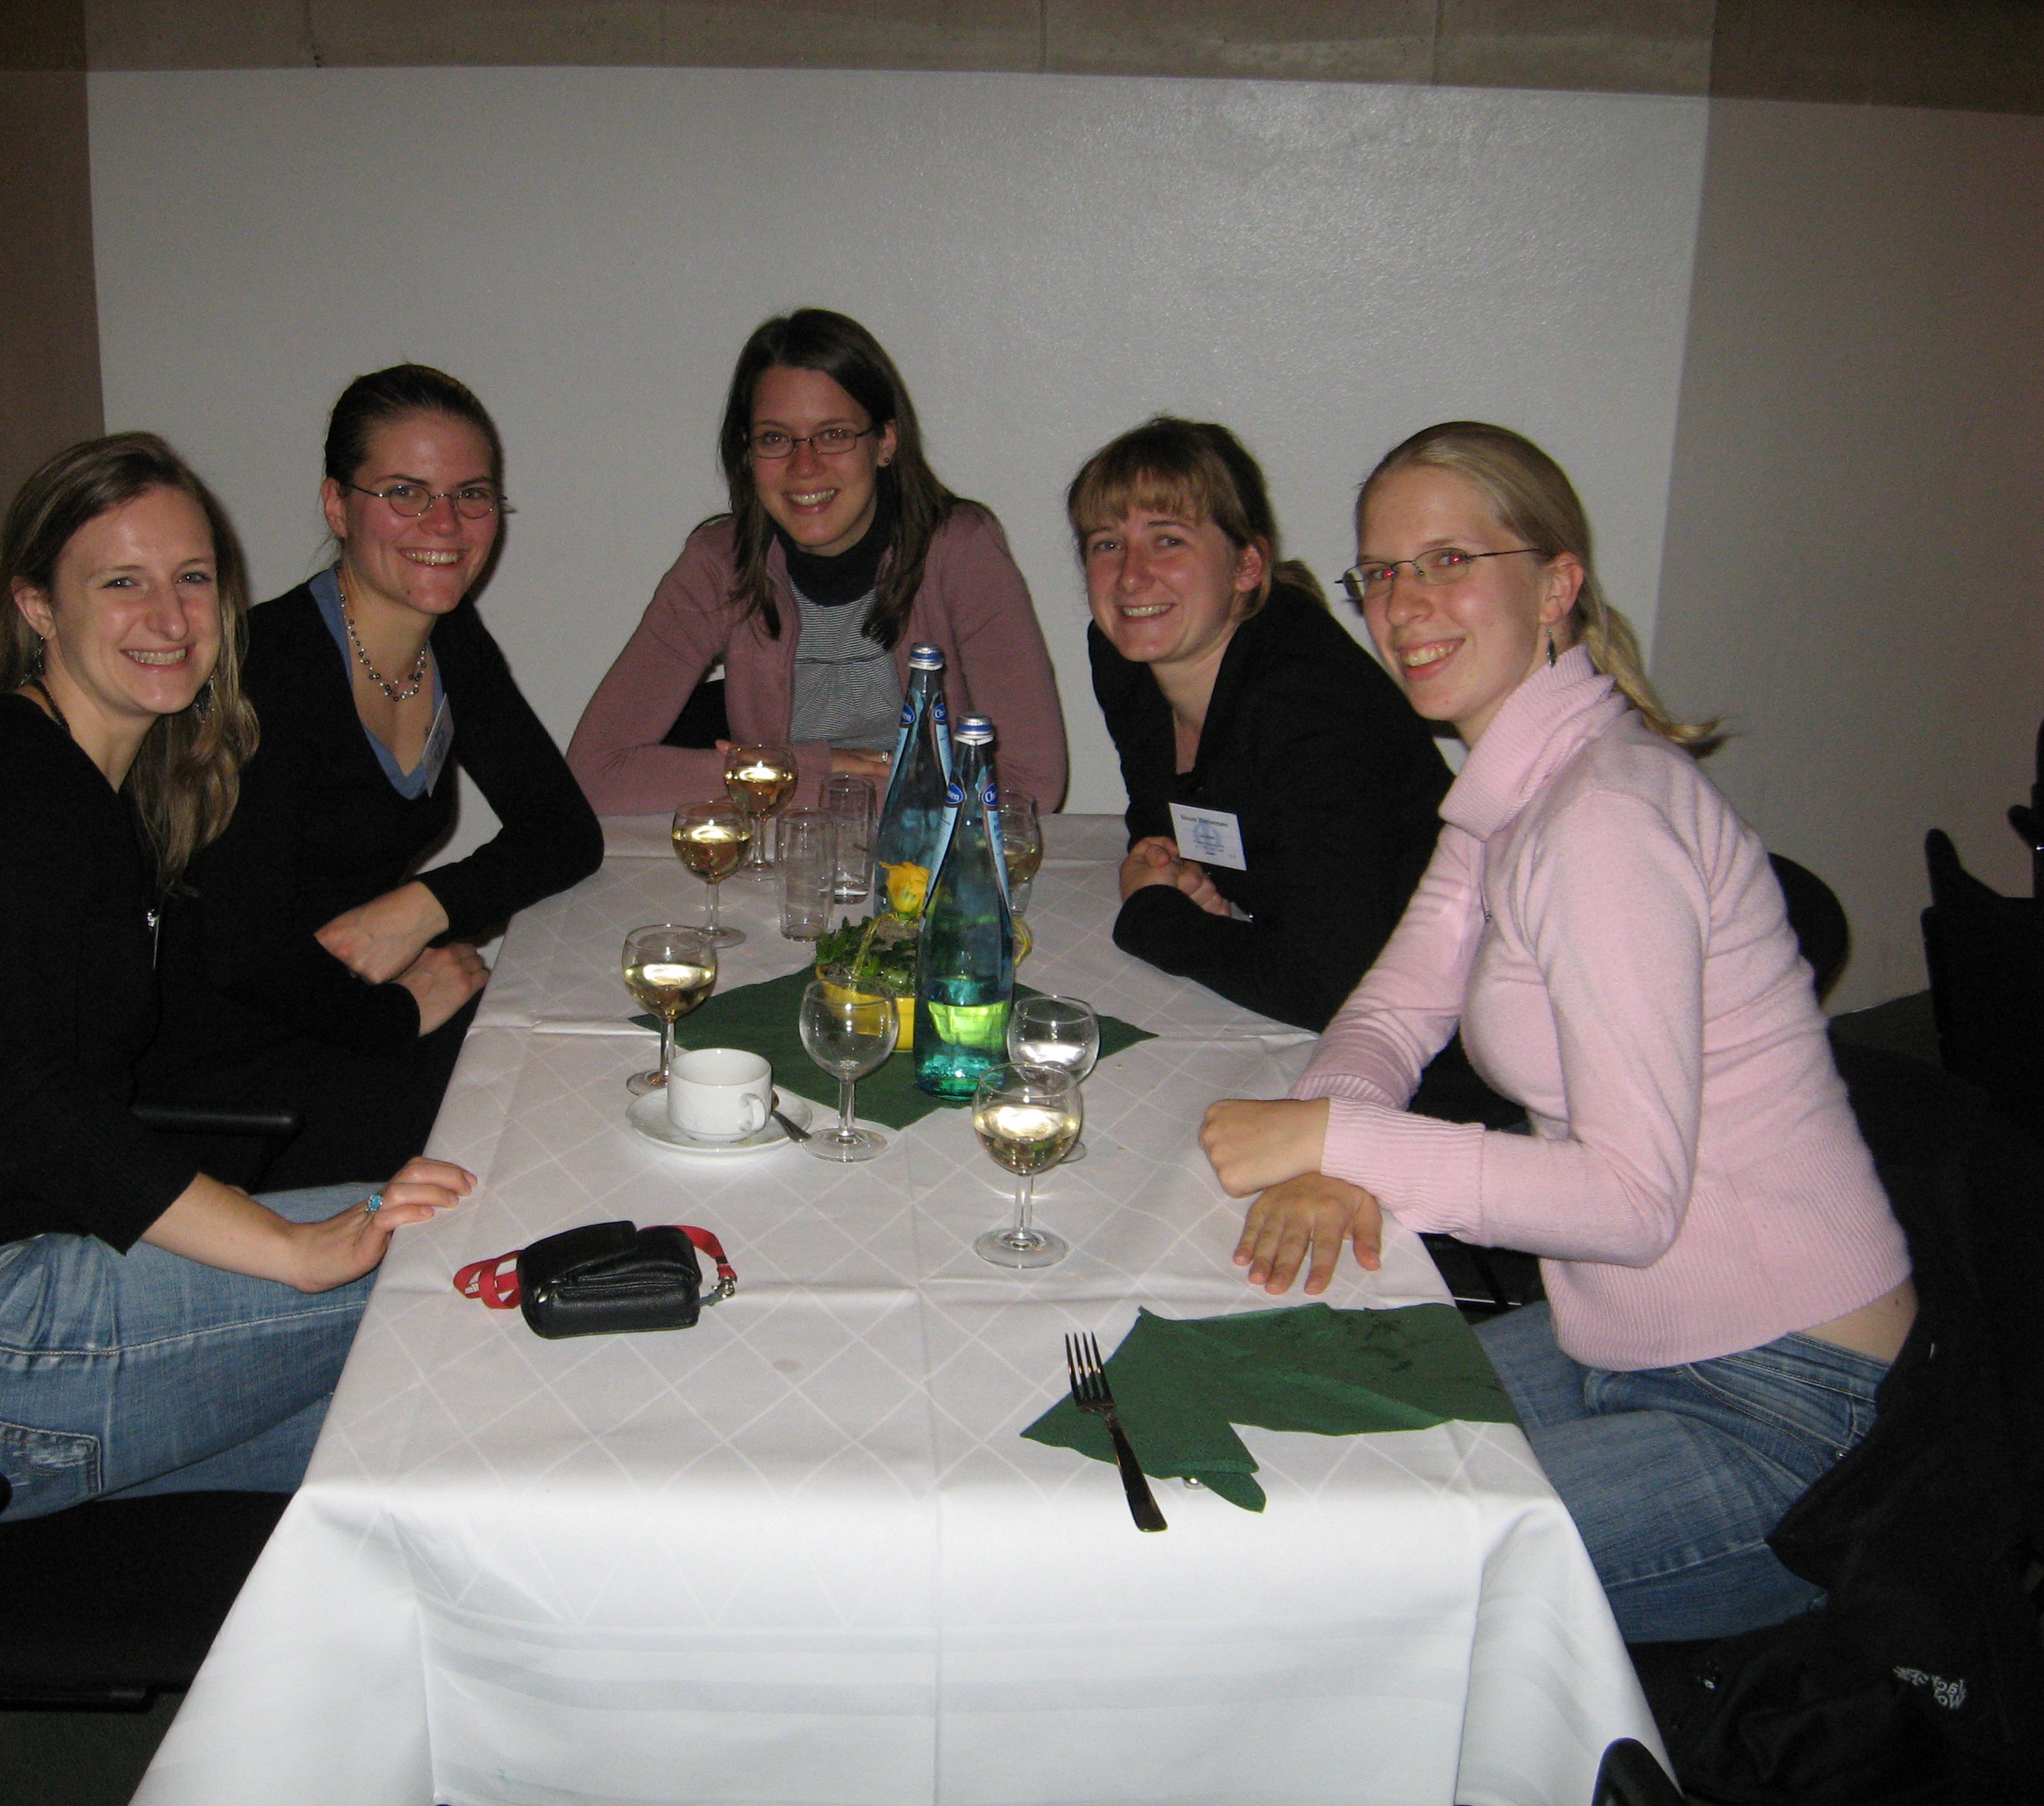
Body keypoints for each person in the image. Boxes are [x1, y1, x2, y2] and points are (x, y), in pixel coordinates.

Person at [1199, 421, 1915, 1641]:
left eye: (1450, 561)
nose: (1404, 605)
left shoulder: (1603, 820)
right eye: (1382, 573)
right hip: (1625, 1341)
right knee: (1281, 1430)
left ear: (1556, 584)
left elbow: (1630, 1200)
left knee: (1324, 1570)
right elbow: (1396, 1006)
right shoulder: (1510, 794)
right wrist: (1333, 1137)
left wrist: (1342, 1144)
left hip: (1791, 1413)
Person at [0, 433, 473, 1521]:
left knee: (440, 1431)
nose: (169, 616)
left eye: (192, 578)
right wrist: (289, 1249)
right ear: (38, 607)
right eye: (121, 582)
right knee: (472, 1252)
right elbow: (26, 1106)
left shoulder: (107, 798)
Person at [140, 366, 602, 1188]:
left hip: (347, 1012)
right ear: (337, 505)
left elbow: (565, 831)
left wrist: (423, 907)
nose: (445, 524)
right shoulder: (267, 671)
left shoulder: (448, 638)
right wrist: (399, 1013)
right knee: (537, 1136)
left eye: (471, 495)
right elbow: (243, 956)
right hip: (237, 1082)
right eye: (404, 493)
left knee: (579, 1059)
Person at [567, 308, 1065, 814]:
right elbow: (594, 775)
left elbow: (1032, 783)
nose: (804, 466)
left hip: (931, 850)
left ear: (885, 441)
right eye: (775, 438)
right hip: (788, 852)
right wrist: (810, 770)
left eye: (833, 435)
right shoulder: (719, 563)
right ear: (747, 452)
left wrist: (769, 778)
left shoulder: (961, 550)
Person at [1073, 416, 1453, 1034]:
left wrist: (1154, 916)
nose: (1131, 576)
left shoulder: (1311, 705)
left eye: (1167, 540)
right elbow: (1161, 817)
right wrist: (1175, 869)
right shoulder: (1126, 659)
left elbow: (1331, 984)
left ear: (1247, 566)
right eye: (1106, 544)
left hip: (1439, 1027)